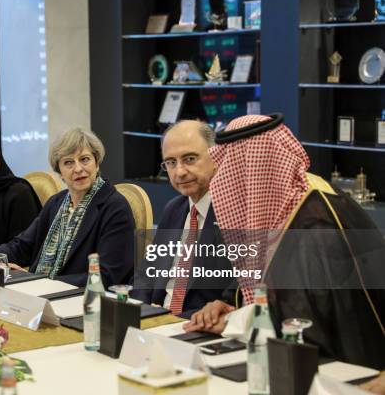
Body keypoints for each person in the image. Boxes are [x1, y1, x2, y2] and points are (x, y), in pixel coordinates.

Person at [185, 113, 385, 369]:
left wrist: (236, 322)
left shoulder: (314, 225)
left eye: (233, 169)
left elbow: (304, 323)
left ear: (254, 170)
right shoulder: (281, 209)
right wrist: (229, 307)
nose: (225, 180)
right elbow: (266, 292)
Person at [0, 128, 135, 288]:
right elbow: (22, 246)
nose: (78, 168)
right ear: (59, 171)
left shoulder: (114, 207)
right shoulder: (56, 203)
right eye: (68, 163)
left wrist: (37, 280)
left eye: (85, 159)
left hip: (86, 302)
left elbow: (108, 276)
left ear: (97, 163)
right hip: (43, 292)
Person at [133, 120, 236, 318]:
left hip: (197, 328)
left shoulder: (234, 213)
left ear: (216, 157)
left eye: (189, 159)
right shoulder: (175, 208)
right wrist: (143, 312)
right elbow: (146, 275)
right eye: (171, 162)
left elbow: (233, 297)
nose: (179, 171)